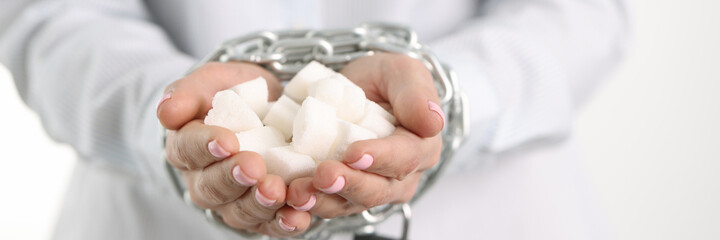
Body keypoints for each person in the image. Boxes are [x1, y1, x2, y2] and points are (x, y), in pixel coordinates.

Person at [0, 0, 630, 239]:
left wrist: (451, 97)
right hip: (152, 218)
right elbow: (46, 13)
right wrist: (160, 115)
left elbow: (585, 14)